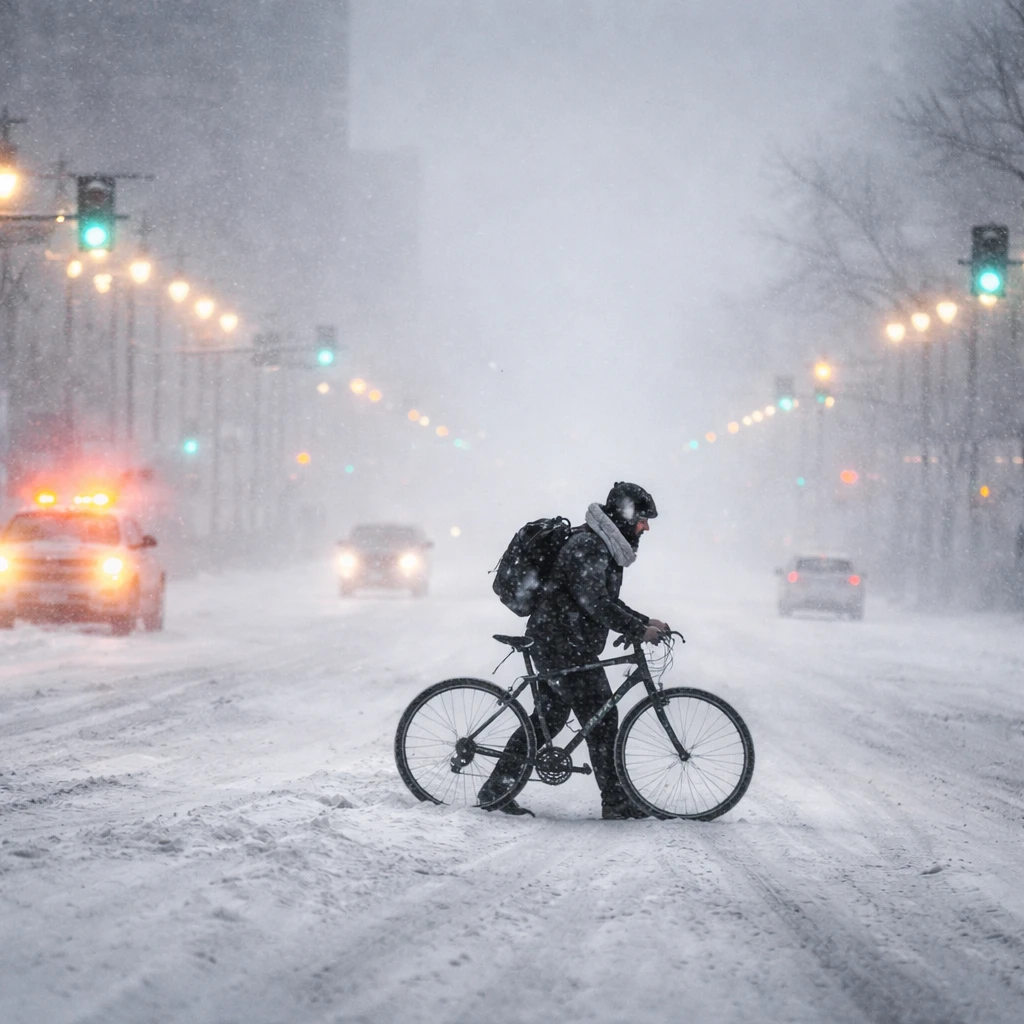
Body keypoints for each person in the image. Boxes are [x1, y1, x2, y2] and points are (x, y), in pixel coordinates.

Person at [479, 482, 670, 819]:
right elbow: (593, 602)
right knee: (603, 718)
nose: (646, 526)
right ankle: (616, 802)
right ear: (625, 516)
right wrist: (638, 629)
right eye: (642, 518)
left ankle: (496, 790)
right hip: (561, 643)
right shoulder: (590, 546)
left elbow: (604, 600)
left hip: (565, 642)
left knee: (549, 720)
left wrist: (643, 620)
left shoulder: (602, 547)